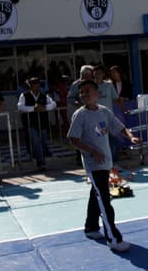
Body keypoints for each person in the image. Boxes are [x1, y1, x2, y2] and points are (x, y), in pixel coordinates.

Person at [67, 78, 140, 254]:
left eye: (87, 91)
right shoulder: (80, 115)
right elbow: (73, 139)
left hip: (105, 162)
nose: (84, 95)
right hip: (94, 164)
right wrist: (92, 151)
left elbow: (119, 127)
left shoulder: (104, 111)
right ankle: (113, 238)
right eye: (81, 92)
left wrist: (130, 137)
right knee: (105, 201)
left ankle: (91, 227)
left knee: (97, 195)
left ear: (97, 93)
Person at [18, 75, 55, 170]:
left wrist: (44, 108)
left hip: (42, 122)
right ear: (30, 85)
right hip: (30, 123)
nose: (36, 86)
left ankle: (40, 157)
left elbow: (53, 104)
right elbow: (20, 107)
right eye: (34, 84)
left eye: (38, 84)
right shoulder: (24, 95)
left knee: (43, 142)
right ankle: (40, 161)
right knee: (35, 141)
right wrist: (33, 109)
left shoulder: (44, 95)